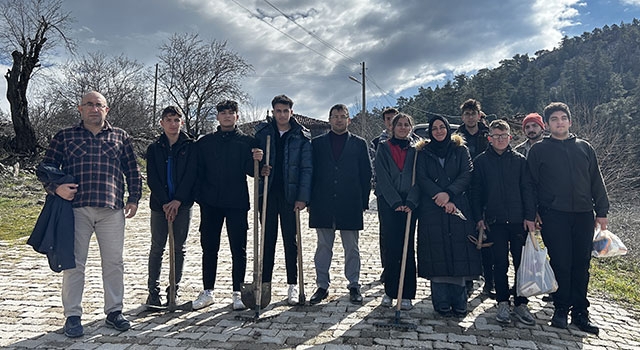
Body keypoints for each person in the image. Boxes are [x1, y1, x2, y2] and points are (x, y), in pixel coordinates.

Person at [40, 91, 142, 337]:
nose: (94, 109)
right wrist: (56, 188)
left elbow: (132, 169)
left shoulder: (120, 136)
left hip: (111, 208)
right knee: (74, 264)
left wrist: (134, 198)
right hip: (76, 209)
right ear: (80, 109)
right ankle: (72, 316)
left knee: (114, 263)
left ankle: (115, 311)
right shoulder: (65, 136)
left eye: (99, 105)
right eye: (89, 104)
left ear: (106, 110)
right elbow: (45, 167)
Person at [528, 102, 609, 335]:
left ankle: (581, 313)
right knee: (561, 263)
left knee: (581, 265)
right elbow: (530, 184)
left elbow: (596, 180)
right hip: (554, 215)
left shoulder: (585, 148)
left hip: (584, 215)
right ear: (547, 124)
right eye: (554, 119)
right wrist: (532, 211)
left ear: (570, 122)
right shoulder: (539, 150)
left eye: (563, 118)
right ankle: (561, 308)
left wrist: (602, 211)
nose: (559, 122)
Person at [192, 100, 263, 311]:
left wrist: (258, 160)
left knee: (238, 249)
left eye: (231, 113)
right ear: (218, 117)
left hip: (236, 202)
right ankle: (208, 291)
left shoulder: (247, 142)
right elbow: (197, 171)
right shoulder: (205, 143)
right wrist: (200, 197)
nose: (227, 116)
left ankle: (238, 292)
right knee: (209, 247)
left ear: (237, 117)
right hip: (210, 203)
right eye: (223, 113)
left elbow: (253, 171)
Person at [469, 119, 537, 325]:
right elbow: (476, 193)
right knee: (499, 263)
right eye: (495, 136)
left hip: (518, 221)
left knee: (521, 263)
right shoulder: (480, 162)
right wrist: (479, 218)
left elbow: (528, 190)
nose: (500, 140)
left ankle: (521, 302)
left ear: (510, 137)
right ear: (489, 138)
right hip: (494, 221)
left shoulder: (519, 161)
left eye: (504, 136)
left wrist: (530, 216)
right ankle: (502, 302)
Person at [416, 115, 481, 317]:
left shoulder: (460, 150)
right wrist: (439, 196)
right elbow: (421, 177)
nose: (438, 131)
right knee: (437, 253)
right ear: (430, 131)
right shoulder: (423, 153)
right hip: (432, 207)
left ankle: (460, 302)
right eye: (434, 128)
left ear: (448, 129)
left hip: (457, 205)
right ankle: (441, 301)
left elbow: (466, 174)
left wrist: (449, 194)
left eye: (441, 127)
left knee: (459, 252)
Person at [308, 104, 372, 305]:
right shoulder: (316, 144)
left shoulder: (359, 144)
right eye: (335, 116)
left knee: (352, 247)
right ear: (329, 119)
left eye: (342, 116)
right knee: (323, 247)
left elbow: (366, 173)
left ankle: (354, 284)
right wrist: (309, 200)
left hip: (350, 202)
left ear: (349, 120)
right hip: (323, 202)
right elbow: (311, 173)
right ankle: (322, 286)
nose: (338, 120)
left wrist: (363, 201)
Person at [255, 94, 312, 305]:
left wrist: (302, 198)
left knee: (291, 241)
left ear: (291, 112)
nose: (282, 114)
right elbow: (251, 163)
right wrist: (261, 169)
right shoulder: (263, 134)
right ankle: (265, 284)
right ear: (273, 112)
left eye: (285, 111)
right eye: (278, 111)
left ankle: (292, 285)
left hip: (291, 197)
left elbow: (307, 169)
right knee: (267, 240)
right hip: (268, 195)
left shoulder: (301, 136)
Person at [145, 106, 197, 308]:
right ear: (162, 123)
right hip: (160, 205)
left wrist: (178, 200)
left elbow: (192, 175)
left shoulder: (190, 146)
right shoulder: (154, 148)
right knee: (157, 247)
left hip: (182, 205)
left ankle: (173, 291)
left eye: (176, 120)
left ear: (181, 122)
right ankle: (153, 293)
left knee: (178, 248)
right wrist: (166, 201)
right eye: (169, 120)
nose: (173, 124)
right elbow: (153, 178)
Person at [374, 113, 420, 310]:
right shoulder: (383, 148)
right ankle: (390, 290)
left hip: (410, 204)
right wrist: (394, 201)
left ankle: (407, 292)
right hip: (389, 204)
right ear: (392, 127)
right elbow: (381, 176)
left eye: (406, 125)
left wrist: (411, 199)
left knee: (407, 248)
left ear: (410, 127)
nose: (402, 127)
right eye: (398, 124)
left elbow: (420, 176)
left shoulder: (418, 150)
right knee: (392, 247)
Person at [454, 98, 493, 296]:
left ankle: (489, 278)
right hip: (465, 190)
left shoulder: (488, 135)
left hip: (487, 189)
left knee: (488, 234)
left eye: (473, 113)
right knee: (467, 233)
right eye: (467, 114)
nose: (470, 117)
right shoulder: (456, 136)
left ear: (479, 115)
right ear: (462, 117)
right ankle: (468, 277)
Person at [370, 107, 399, 281]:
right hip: (384, 195)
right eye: (388, 119)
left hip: (405, 195)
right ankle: (387, 267)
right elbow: (374, 169)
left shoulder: (411, 141)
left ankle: (403, 265)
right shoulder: (376, 142)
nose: (391, 121)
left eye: (394, 118)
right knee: (386, 232)